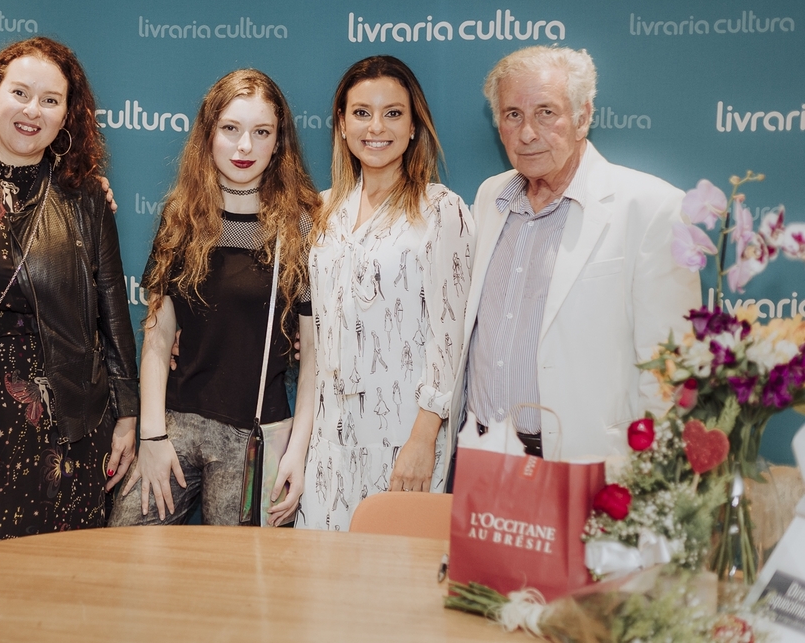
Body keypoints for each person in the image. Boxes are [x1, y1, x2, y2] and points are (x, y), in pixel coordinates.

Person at [0, 37, 138, 552]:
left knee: (57, 590)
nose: (32, 111)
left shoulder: (85, 197)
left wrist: (128, 414)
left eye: (50, 100)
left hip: (65, 422)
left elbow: (112, 308)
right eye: (19, 92)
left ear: (67, 116)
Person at [445, 45, 700, 477]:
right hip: (480, 459)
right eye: (512, 115)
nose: (527, 133)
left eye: (546, 113)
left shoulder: (653, 209)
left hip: (584, 467)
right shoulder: (491, 197)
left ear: (583, 117)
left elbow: (671, 377)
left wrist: (650, 482)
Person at [110, 69, 319, 527]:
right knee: (125, 553)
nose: (244, 147)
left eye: (261, 132)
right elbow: (158, 340)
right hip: (176, 424)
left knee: (239, 587)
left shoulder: (300, 226)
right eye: (231, 129)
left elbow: (314, 363)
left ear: (278, 142)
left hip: (254, 435)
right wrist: (152, 437)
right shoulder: (181, 217)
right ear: (209, 134)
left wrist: (297, 454)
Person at [295, 56, 473, 531]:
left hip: (403, 439)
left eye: (393, 113)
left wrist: (423, 439)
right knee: (320, 588)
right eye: (361, 112)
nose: (377, 127)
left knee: (393, 590)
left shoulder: (441, 210)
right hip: (327, 444)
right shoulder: (322, 210)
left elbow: (450, 339)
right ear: (341, 123)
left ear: (414, 126)